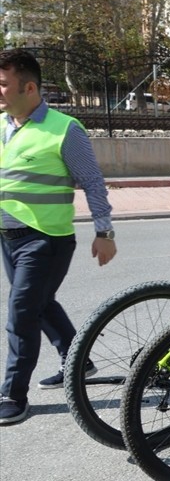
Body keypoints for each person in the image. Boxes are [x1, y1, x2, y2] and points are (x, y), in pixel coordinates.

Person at [0, 48, 117, 426]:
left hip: (45, 239)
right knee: (41, 303)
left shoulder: (65, 129)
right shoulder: (4, 127)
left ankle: (13, 396)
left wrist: (104, 231)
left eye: (3, 85)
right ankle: (78, 362)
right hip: (9, 237)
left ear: (29, 87)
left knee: (22, 313)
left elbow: (93, 182)